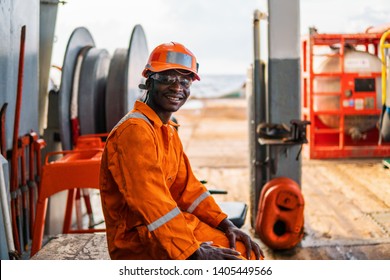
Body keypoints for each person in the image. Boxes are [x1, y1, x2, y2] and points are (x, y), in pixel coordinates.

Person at [99, 42, 264, 260]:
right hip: (138, 241)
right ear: (149, 82)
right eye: (168, 78)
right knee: (239, 262)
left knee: (248, 255)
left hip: (166, 231)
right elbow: (152, 204)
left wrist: (226, 224)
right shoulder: (134, 132)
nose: (177, 88)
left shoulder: (166, 129)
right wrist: (195, 253)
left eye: (185, 80)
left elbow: (189, 190)